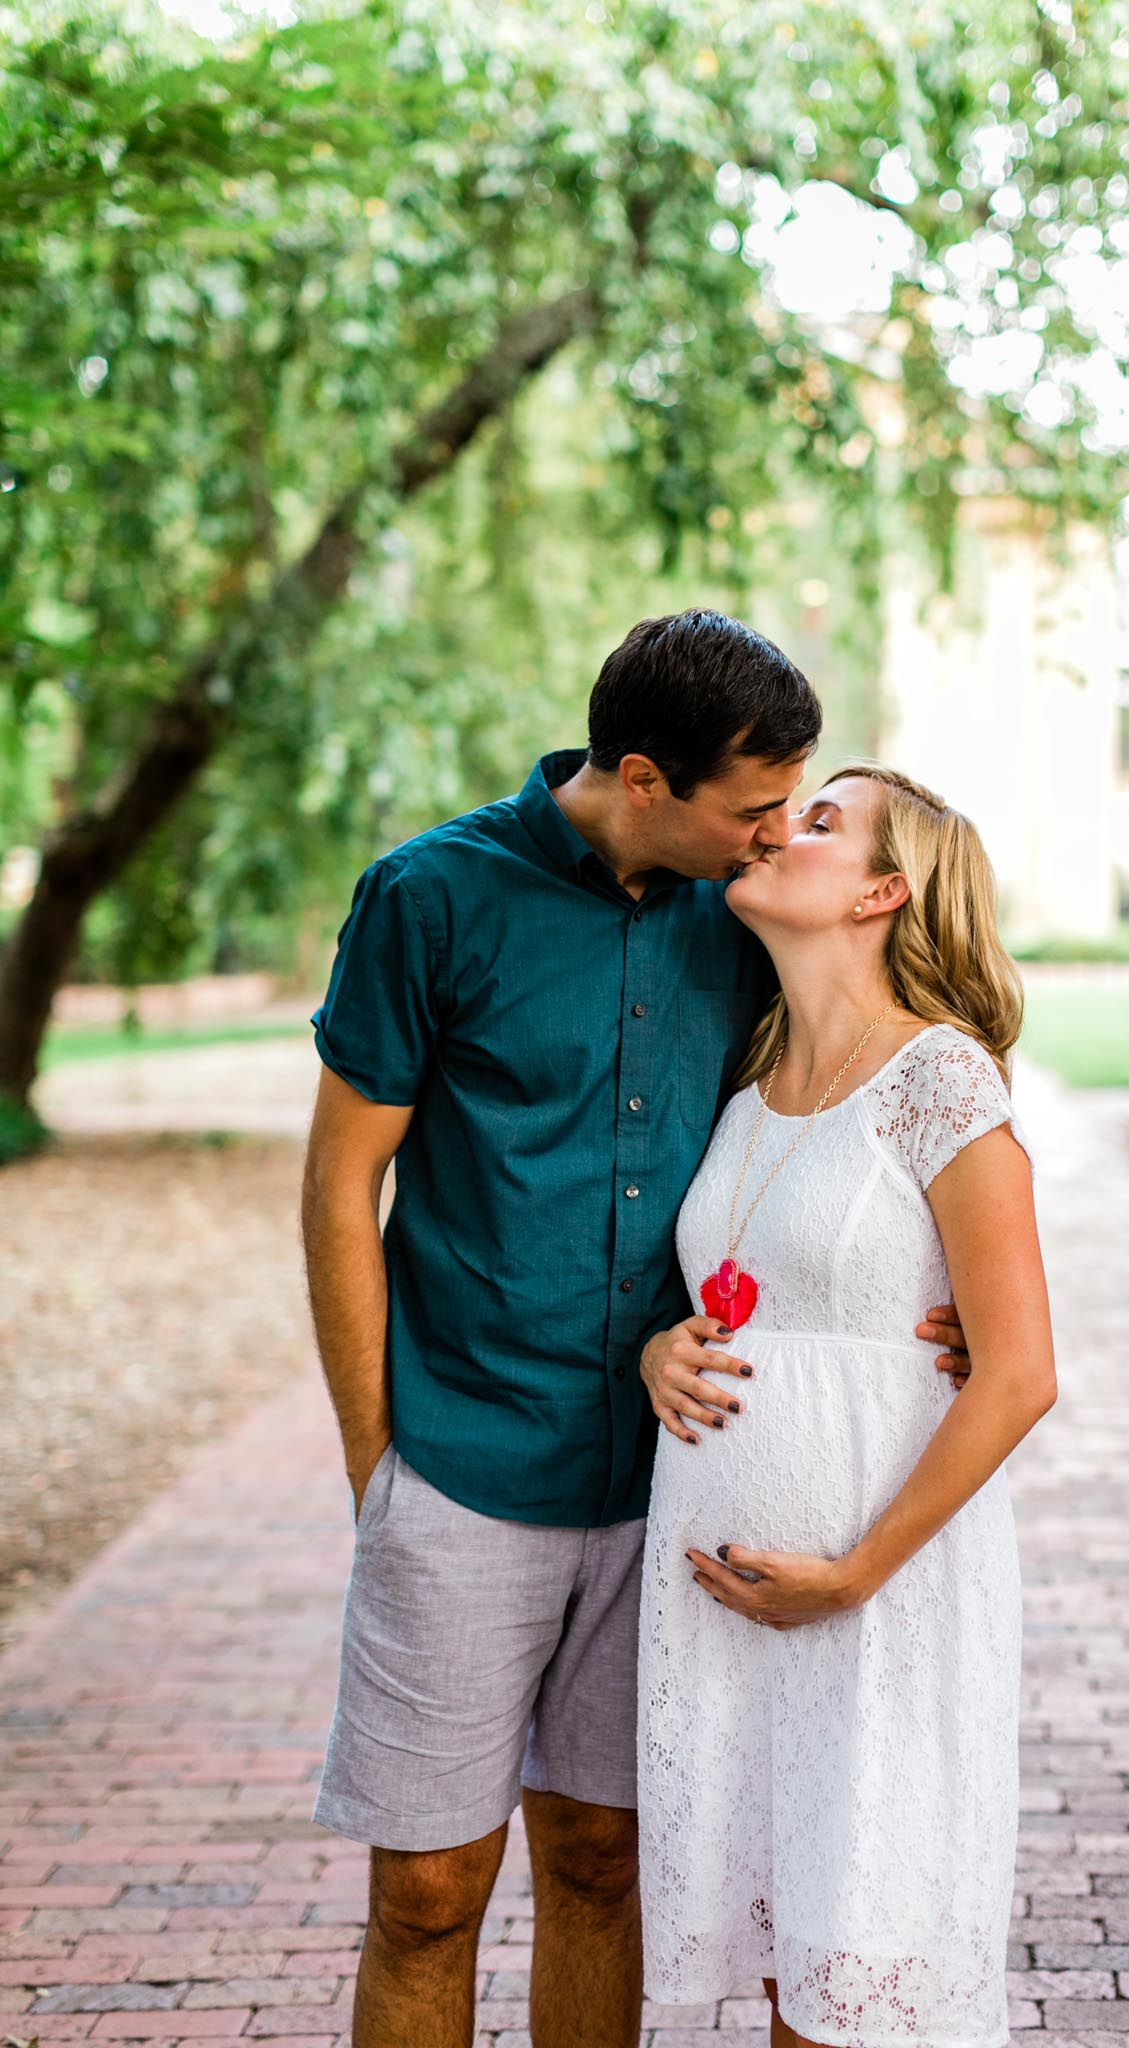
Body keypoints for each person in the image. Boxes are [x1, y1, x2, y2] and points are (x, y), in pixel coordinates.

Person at [299, 612, 976, 2048]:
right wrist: (378, 1459)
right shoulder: (429, 898)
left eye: (796, 808)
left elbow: (897, 1065)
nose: (776, 833)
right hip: (464, 1464)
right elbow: (339, 1181)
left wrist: (946, 1308)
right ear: (646, 777)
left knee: (603, 1866)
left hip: (672, 1481)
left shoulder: (741, 910)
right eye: (753, 806)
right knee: (427, 1888)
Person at [637, 763, 1056, 2048]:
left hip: (876, 1601)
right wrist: (663, 1346)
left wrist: (853, 1572)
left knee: (853, 2003)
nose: (779, 826)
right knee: (788, 1988)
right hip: (729, 1617)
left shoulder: (941, 1078)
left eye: (821, 820)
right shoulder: (750, 1084)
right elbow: (738, 1290)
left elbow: (1023, 1368)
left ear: (885, 890)